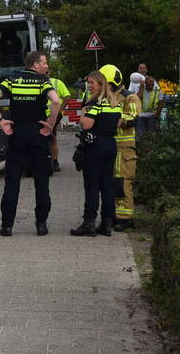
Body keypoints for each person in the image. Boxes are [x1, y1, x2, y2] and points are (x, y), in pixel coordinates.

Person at [0, 51, 60, 236]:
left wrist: (0, 121)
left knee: (12, 181)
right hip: (38, 134)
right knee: (41, 180)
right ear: (35, 64)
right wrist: (50, 125)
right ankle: (41, 225)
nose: (47, 66)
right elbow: (56, 101)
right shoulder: (43, 81)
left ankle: (7, 226)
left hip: (17, 134)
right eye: (44, 63)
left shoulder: (13, 79)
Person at [71, 65, 122, 237]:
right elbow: (119, 123)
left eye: (92, 83)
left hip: (95, 147)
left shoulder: (94, 103)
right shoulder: (114, 102)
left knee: (92, 186)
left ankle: (89, 223)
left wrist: (82, 115)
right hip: (110, 146)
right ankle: (107, 224)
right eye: (88, 83)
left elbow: (86, 124)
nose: (89, 86)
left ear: (101, 84)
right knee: (107, 185)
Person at [113, 72, 142, 232]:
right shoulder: (107, 96)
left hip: (124, 148)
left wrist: (115, 118)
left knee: (123, 183)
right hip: (112, 147)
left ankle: (125, 218)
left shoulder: (129, 97)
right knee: (112, 182)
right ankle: (114, 214)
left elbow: (133, 118)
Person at [45, 75, 72, 173]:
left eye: (47, 72)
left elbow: (67, 96)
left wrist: (60, 110)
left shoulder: (57, 82)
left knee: (52, 136)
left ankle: (54, 161)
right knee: (48, 137)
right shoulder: (37, 81)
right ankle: (50, 161)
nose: (45, 73)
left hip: (55, 114)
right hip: (42, 115)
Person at [136, 74, 163, 139]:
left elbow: (161, 104)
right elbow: (138, 98)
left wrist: (156, 116)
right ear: (145, 84)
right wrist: (141, 87)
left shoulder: (158, 90)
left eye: (152, 85)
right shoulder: (141, 89)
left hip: (152, 116)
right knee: (141, 136)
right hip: (141, 116)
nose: (150, 86)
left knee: (152, 137)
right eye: (148, 85)